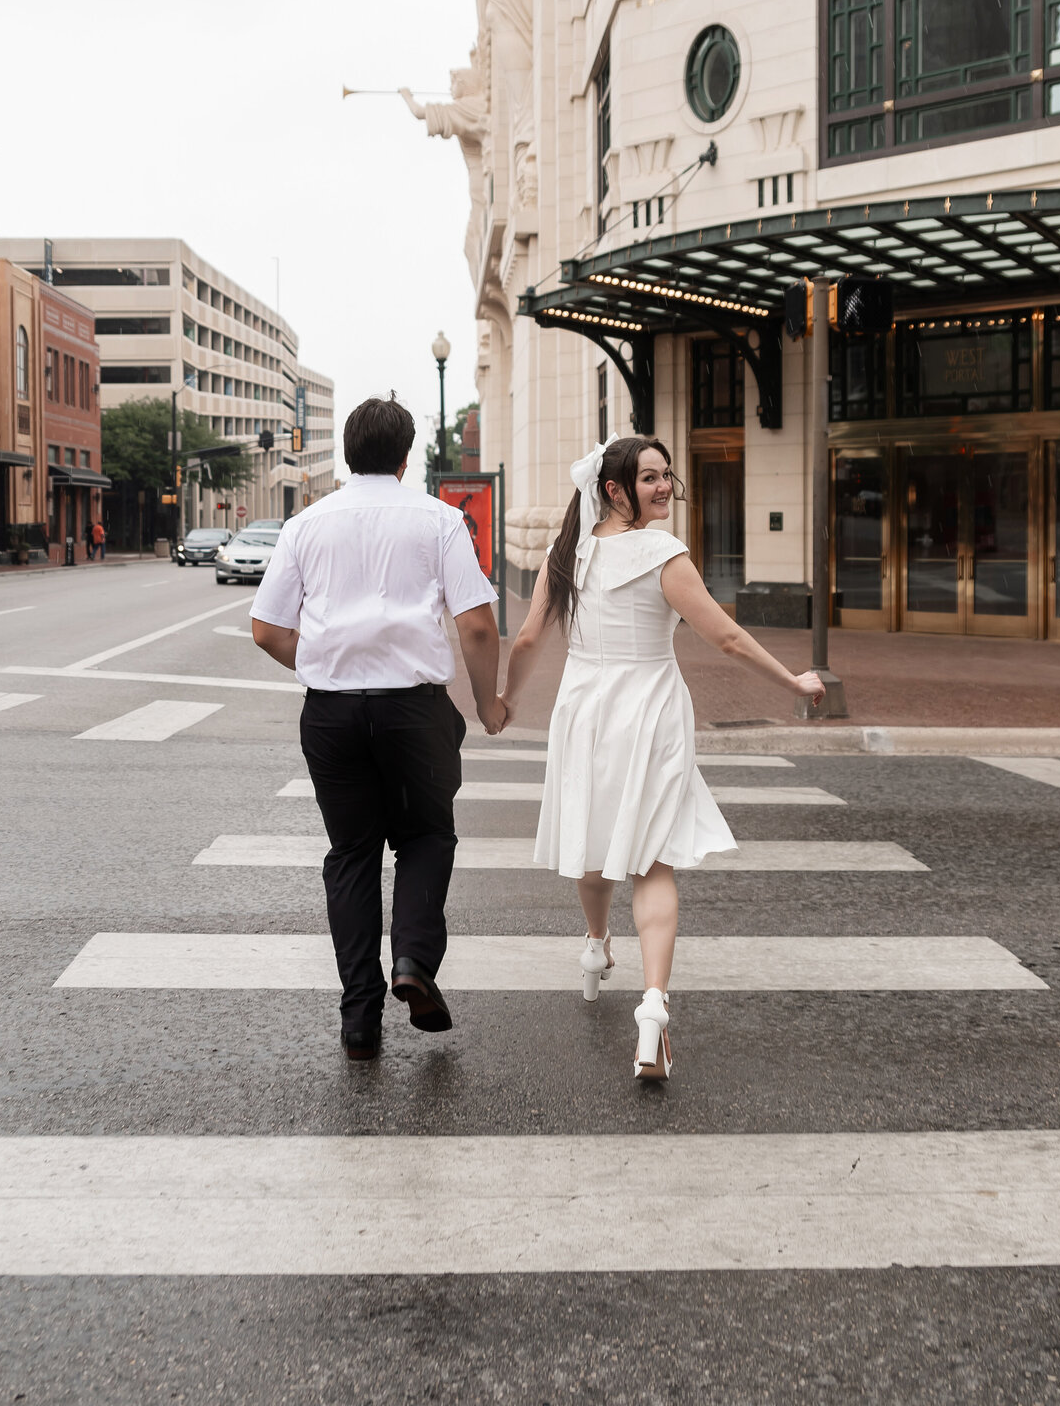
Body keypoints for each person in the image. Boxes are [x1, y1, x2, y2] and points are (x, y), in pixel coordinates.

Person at [501, 435, 824, 1083]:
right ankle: (653, 1008)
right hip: (649, 710)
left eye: (667, 476)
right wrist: (793, 683)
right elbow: (727, 638)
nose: (664, 487)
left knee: (596, 844)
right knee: (651, 860)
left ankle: (595, 948)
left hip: (585, 707)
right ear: (615, 488)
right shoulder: (663, 556)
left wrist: (503, 702)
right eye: (649, 477)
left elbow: (531, 636)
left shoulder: (568, 553)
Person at [250, 395, 507, 1063]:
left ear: (344, 452)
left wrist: (317, 665)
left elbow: (266, 629)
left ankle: (359, 1018)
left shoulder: (305, 524)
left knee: (352, 854)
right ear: (406, 456)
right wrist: (487, 705)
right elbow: (477, 625)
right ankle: (415, 962)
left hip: (331, 711)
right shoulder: (439, 520)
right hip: (414, 708)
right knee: (425, 836)